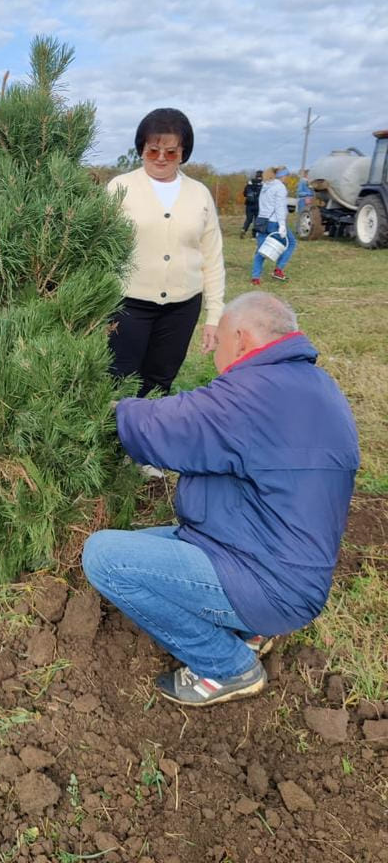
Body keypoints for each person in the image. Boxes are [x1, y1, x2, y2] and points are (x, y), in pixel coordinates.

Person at [83, 292, 359, 707]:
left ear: (242, 340)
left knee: (105, 556)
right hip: (275, 559)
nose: (214, 356)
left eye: (219, 342)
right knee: (146, 544)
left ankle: (228, 665)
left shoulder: (255, 393)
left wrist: (111, 412)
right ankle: (250, 633)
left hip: (269, 581)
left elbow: (174, 425)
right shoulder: (313, 385)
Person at [107, 108, 225, 398]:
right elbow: (101, 250)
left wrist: (214, 316)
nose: (161, 158)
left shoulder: (199, 194)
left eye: (171, 152)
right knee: (119, 379)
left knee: (160, 380)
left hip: (182, 308)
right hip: (128, 304)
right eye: (153, 150)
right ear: (142, 149)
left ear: (183, 153)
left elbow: (212, 257)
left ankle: (150, 438)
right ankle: (115, 439)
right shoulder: (119, 188)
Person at [251, 167, 296, 284]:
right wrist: (282, 225)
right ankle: (278, 269)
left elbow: (262, 204)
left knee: (261, 250)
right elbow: (279, 207)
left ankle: (255, 277)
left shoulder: (265, 186)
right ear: (282, 176)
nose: (287, 178)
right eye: (287, 175)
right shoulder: (280, 188)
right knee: (291, 243)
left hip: (262, 221)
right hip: (274, 222)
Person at [240, 170, 263, 238]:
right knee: (256, 220)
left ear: (256, 175)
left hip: (249, 204)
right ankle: (254, 235)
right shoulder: (263, 184)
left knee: (248, 219)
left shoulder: (249, 183)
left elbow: (244, 194)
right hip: (258, 204)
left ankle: (244, 229)